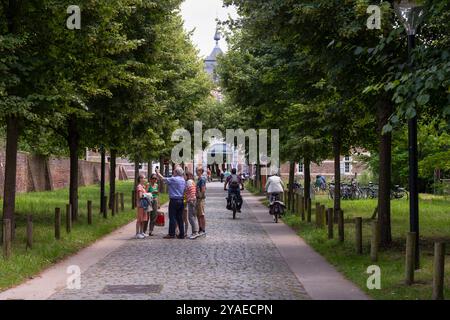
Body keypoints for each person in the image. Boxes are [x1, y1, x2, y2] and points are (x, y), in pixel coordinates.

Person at [155, 166, 186, 239]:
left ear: (176, 172)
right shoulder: (183, 180)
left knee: (172, 217)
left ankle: (171, 234)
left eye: (174, 171)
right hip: (181, 200)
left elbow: (163, 179)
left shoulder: (173, 179)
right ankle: (181, 234)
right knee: (180, 218)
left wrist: (157, 172)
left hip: (174, 200)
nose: (173, 172)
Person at [185, 171, 199, 239]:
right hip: (194, 199)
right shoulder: (192, 181)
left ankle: (195, 232)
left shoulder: (188, 182)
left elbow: (188, 191)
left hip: (191, 200)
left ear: (187, 176)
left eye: (185, 176)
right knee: (193, 216)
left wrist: (189, 199)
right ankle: (194, 231)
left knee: (191, 217)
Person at [135, 175, 149, 239]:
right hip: (141, 205)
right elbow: (140, 196)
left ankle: (142, 232)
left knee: (143, 219)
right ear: (140, 179)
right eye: (143, 178)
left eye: (144, 178)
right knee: (139, 219)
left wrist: (147, 188)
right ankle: (137, 233)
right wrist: (148, 195)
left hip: (144, 205)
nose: (145, 179)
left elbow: (145, 192)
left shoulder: (142, 186)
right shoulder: (139, 187)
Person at [196, 167, 207, 236]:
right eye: (196, 170)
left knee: (201, 214)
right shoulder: (199, 179)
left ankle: (203, 229)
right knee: (198, 214)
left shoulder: (202, 179)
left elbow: (203, 189)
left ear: (201, 171)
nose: (196, 171)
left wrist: (200, 196)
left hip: (200, 199)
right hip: (198, 198)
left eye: (197, 170)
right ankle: (200, 228)